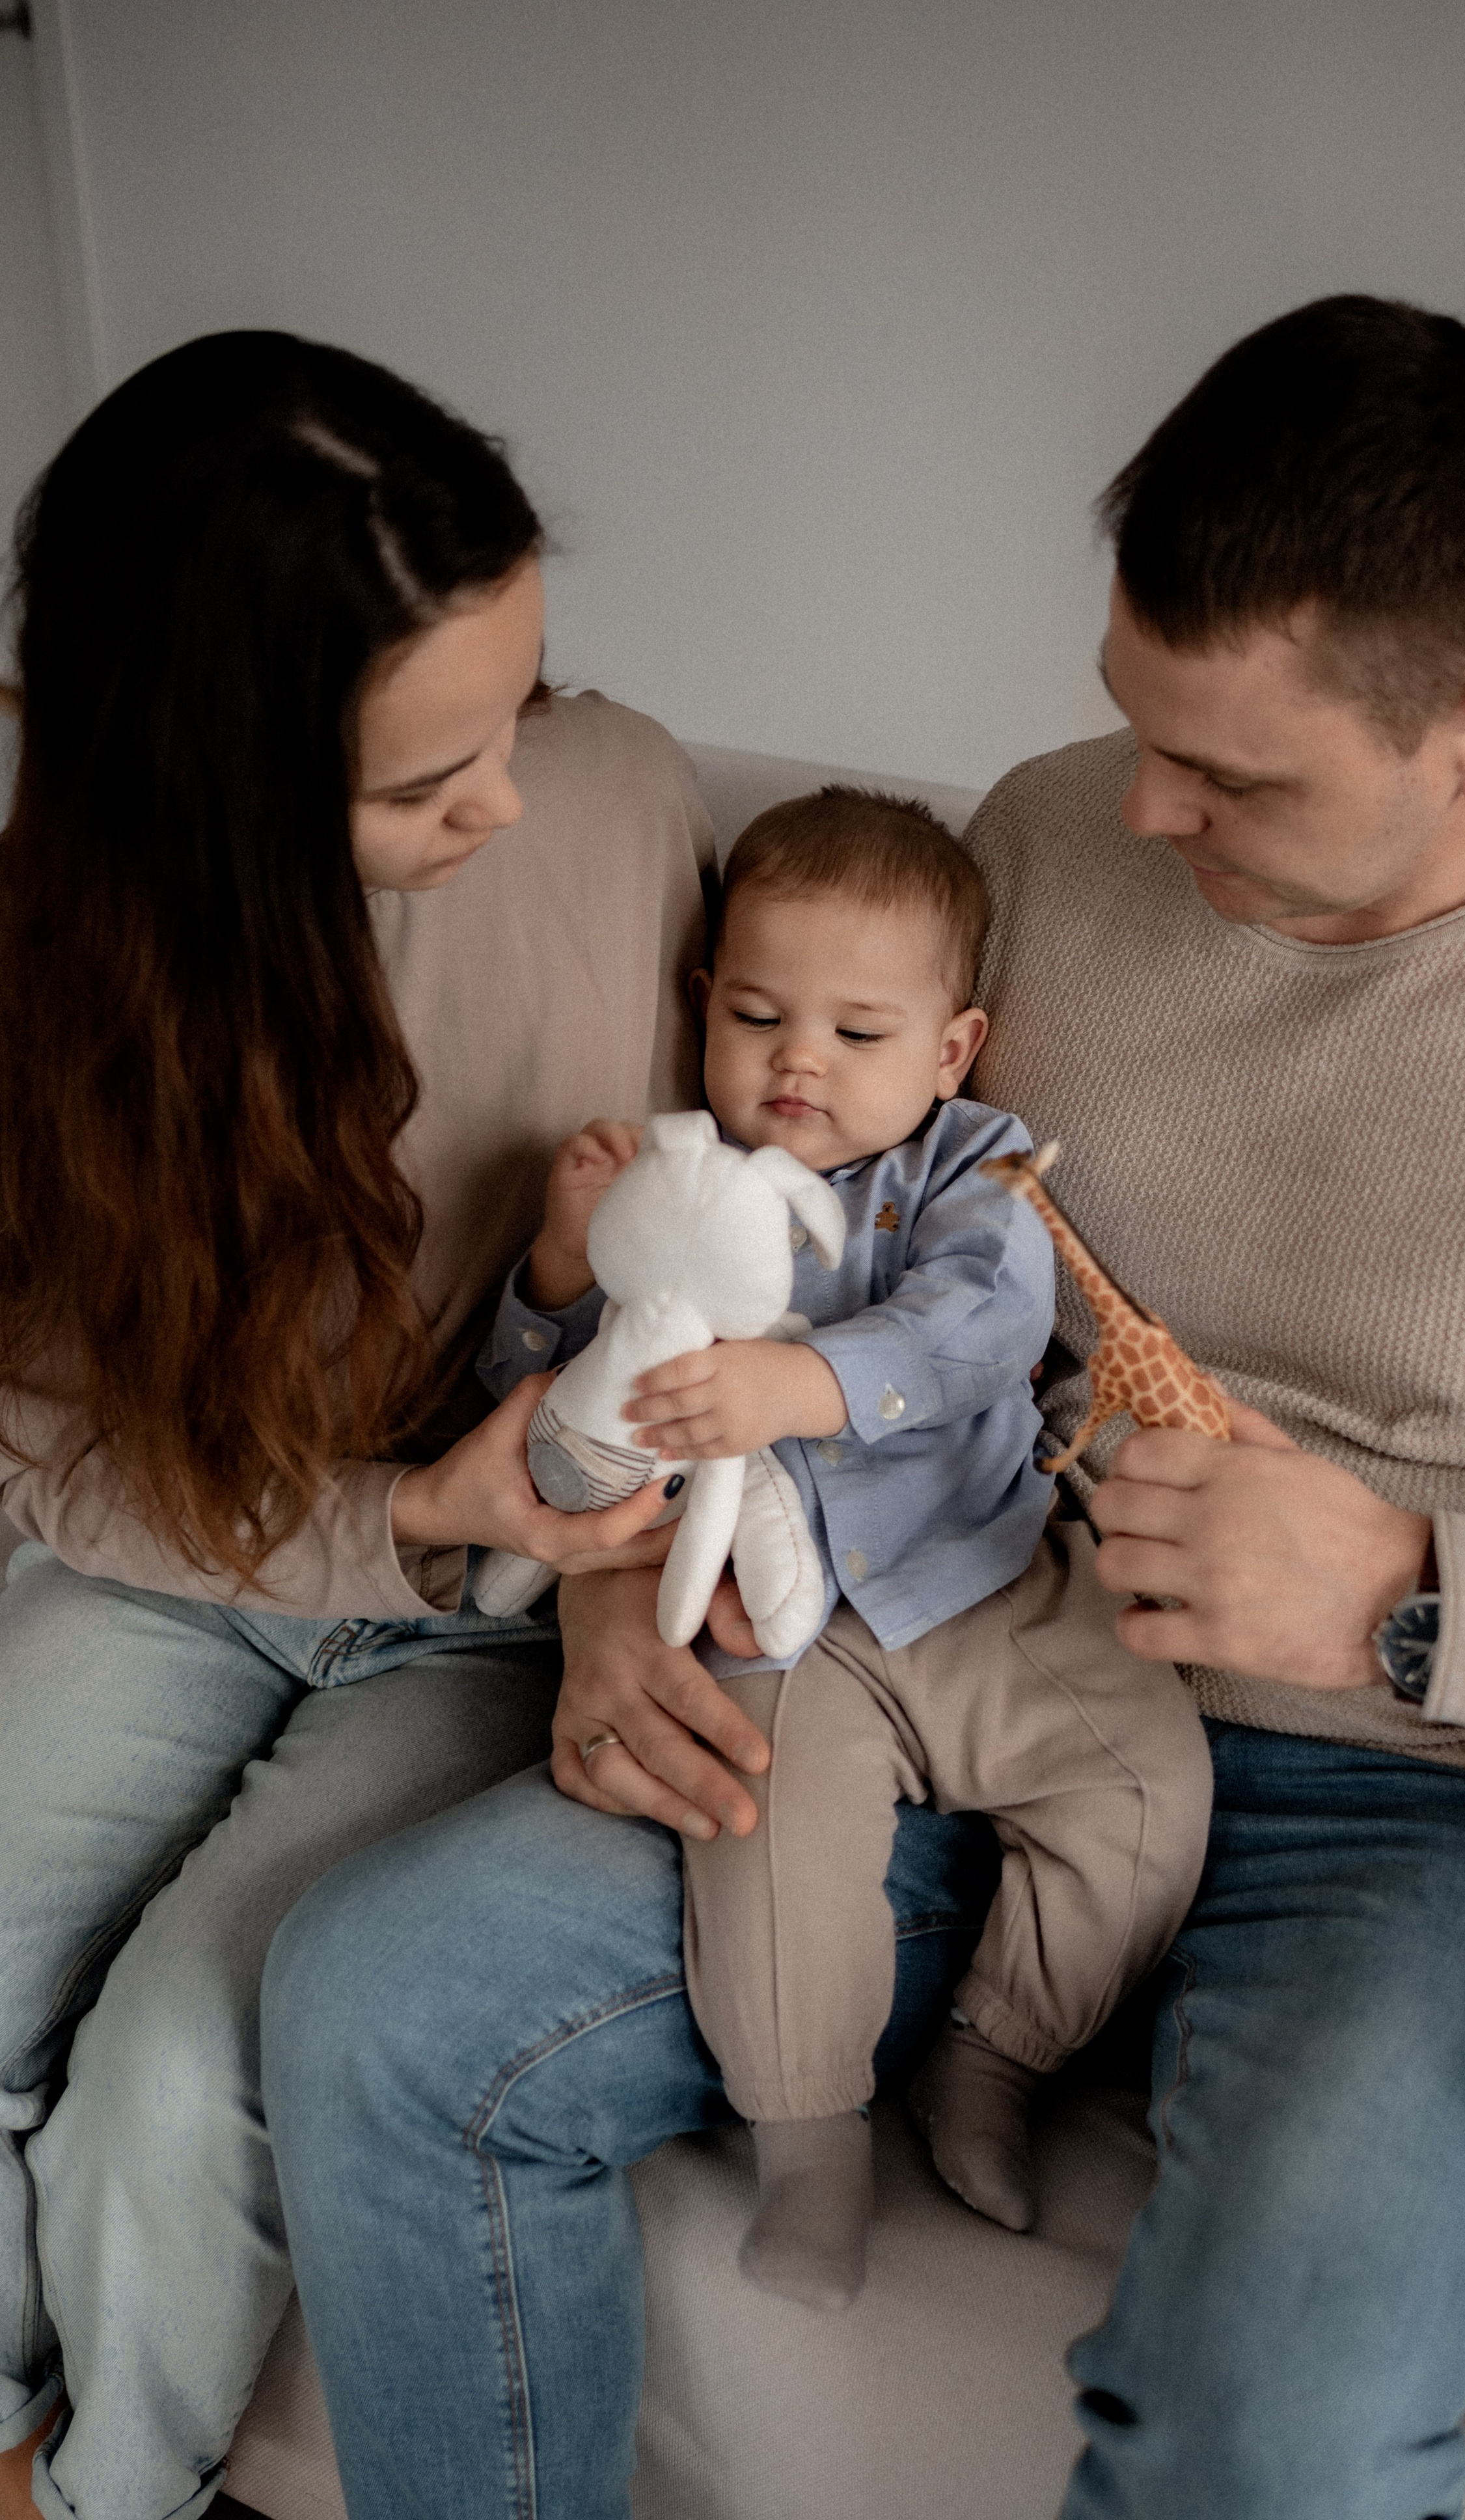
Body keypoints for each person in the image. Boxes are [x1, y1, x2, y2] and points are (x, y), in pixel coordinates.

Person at [263, 293, 1465, 2520]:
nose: (1140, 807)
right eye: (1133, 722)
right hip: (928, 1633)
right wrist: (616, 1598)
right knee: (379, 2010)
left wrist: (1414, 1589)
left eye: (1232, 775)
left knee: (1264, 2427)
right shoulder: (1043, 834)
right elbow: (772, 1255)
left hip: (1437, 1806)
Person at [0, 329, 716, 2520]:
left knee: (165, 2079)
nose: (507, 795)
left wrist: (591, 1580)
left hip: (495, 1607)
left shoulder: (620, 803)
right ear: (212, 797)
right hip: (188, 1559)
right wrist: (387, 1506)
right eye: (424, 783)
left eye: (518, 704)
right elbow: (49, 1449)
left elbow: (733, 1255)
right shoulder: (57, 965)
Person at [482, 788, 1211, 2310]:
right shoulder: (668, 1181)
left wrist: (798, 1382)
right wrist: (561, 1261)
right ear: (705, 1008)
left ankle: (993, 2057)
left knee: (1149, 1786)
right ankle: (807, 2146)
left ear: (949, 1049)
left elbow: (982, 1326)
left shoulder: (971, 1171)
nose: (797, 1061)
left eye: (858, 1035)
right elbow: (554, 1420)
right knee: (760, 1849)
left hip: (985, 1581)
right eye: (757, 1016)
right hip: (776, 1626)